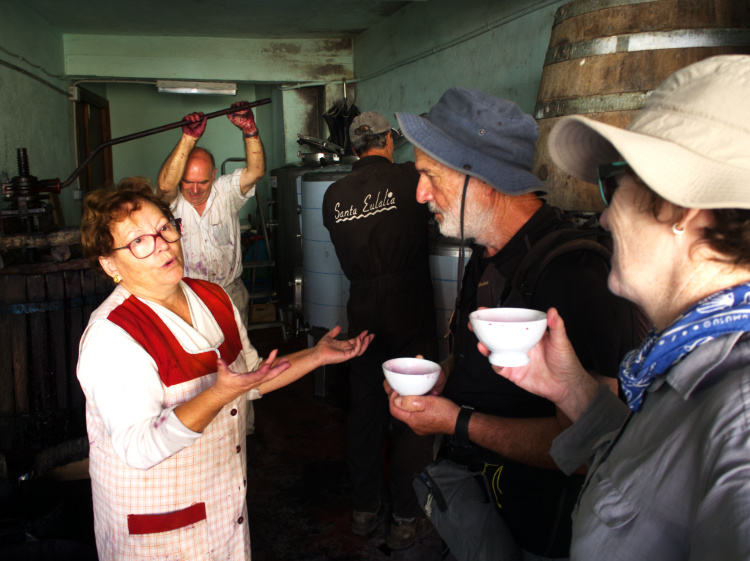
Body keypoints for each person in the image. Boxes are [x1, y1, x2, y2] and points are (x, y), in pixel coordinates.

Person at [477, 55, 750, 560]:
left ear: (681, 208)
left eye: (613, 184)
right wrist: (572, 389)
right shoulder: (686, 362)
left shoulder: (741, 423)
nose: (602, 218)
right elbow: (653, 472)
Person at [387, 88, 642, 559]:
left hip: (544, 532)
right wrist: (442, 378)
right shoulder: (486, 252)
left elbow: (588, 451)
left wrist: (457, 423)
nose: (420, 194)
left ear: (484, 180)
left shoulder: (572, 275)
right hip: (484, 509)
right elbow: (475, 355)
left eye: (430, 175)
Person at [76, 177, 373, 561]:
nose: (162, 245)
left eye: (164, 228)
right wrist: (218, 394)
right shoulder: (113, 336)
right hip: (159, 532)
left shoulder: (212, 297)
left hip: (223, 506)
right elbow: (140, 448)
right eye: (139, 241)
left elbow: (251, 378)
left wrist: (316, 355)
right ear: (109, 263)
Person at [321, 111, 439, 550]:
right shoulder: (409, 178)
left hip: (363, 306)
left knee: (366, 407)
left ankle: (364, 509)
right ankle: (405, 517)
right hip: (409, 304)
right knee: (412, 406)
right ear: (388, 140)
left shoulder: (333, 195)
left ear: (355, 147)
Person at [157, 101, 263, 329]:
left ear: (214, 176)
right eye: (188, 182)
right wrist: (188, 138)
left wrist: (249, 129)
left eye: (203, 182)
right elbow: (165, 186)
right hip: (186, 295)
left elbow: (256, 172)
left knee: (238, 351)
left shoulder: (225, 192)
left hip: (229, 293)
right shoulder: (172, 202)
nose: (195, 190)